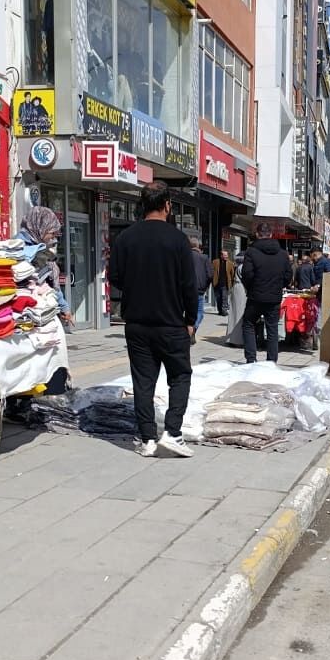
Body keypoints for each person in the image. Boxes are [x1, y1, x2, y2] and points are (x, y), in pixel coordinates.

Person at [110, 182, 198, 458]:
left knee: (143, 381)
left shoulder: (126, 238)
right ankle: (172, 432)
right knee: (180, 376)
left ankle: (147, 438)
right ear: (168, 205)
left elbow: (114, 277)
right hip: (171, 323)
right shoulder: (178, 239)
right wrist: (191, 319)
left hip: (136, 323)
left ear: (142, 205)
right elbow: (188, 285)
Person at [241, 222, 293, 363]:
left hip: (255, 296)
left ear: (257, 234)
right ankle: (271, 361)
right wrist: (279, 286)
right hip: (274, 297)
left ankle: (251, 360)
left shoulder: (251, 252)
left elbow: (246, 274)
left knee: (248, 324)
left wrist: (251, 288)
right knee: (272, 329)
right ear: (271, 234)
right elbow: (288, 275)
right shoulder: (283, 254)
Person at [188, 236, 213, 335]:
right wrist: (205, 286)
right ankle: (193, 328)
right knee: (199, 313)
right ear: (198, 246)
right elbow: (210, 275)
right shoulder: (204, 258)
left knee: (185, 311)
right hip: (199, 290)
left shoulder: (184, 255)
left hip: (185, 290)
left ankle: (188, 329)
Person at [211, 248, 236, 316]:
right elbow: (211, 272)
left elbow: (232, 274)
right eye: (225, 255)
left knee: (224, 298)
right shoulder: (215, 262)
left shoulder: (230, 263)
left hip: (225, 284)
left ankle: (224, 311)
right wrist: (211, 281)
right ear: (221, 255)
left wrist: (232, 283)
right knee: (218, 298)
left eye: (227, 255)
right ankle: (220, 310)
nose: (226, 256)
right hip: (216, 283)